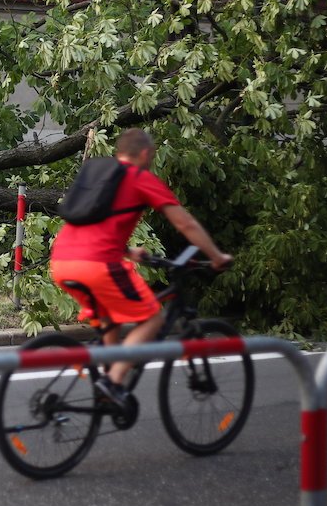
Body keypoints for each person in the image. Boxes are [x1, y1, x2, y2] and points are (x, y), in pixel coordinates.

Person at [49, 128, 233, 407]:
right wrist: (216, 256)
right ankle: (113, 381)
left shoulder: (100, 177)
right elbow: (185, 224)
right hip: (98, 266)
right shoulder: (138, 177)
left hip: (62, 262)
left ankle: (108, 386)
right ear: (146, 153)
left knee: (111, 318)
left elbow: (93, 224)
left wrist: (126, 251)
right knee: (153, 319)